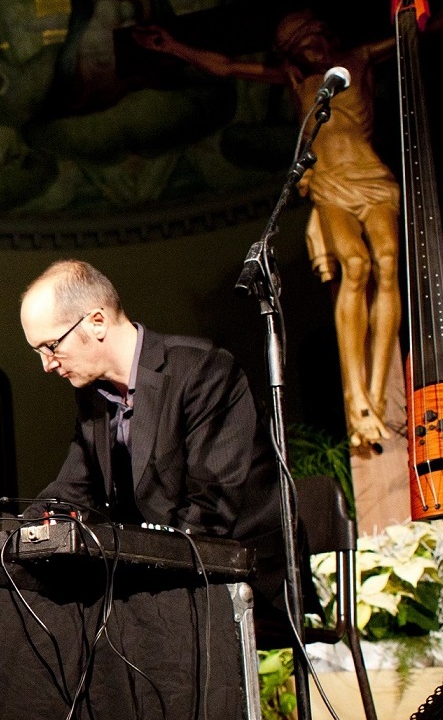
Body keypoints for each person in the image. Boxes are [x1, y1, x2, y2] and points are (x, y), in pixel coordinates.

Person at [133, 12, 402, 447]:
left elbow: (416, 32)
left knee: (387, 265)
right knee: (355, 265)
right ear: (289, 51)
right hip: (329, 182)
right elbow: (227, 66)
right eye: (298, 40)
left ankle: (377, 395)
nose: (310, 42)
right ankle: (358, 399)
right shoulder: (296, 80)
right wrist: (174, 47)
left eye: (313, 32)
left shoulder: (360, 59)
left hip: (372, 176)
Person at [19, 259, 285, 610]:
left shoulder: (203, 370)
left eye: (51, 346)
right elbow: (73, 493)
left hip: (242, 570)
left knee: (109, 615)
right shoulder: (93, 396)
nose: (47, 364)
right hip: (165, 569)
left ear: (96, 322)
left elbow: (212, 510)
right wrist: (15, 535)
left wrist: (137, 566)